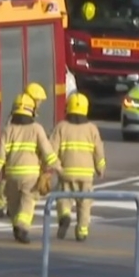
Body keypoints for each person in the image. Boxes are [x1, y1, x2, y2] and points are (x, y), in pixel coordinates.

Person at [0, 93, 62, 244]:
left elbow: (0, 152)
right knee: (28, 202)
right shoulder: (36, 128)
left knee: (13, 203)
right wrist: (57, 166)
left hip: (11, 174)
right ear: (31, 111)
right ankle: (22, 227)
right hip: (30, 175)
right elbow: (47, 150)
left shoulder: (8, 129)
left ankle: (16, 226)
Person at [51, 92, 106, 242]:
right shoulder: (92, 129)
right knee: (85, 203)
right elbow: (98, 151)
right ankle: (82, 231)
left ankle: (65, 216)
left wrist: (55, 167)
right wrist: (100, 167)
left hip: (66, 172)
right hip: (86, 174)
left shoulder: (61, 127)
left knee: (63, 198)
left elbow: (52, 150)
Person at [0, 82, 49, 218]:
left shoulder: (20, 108)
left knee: (10, 185)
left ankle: (2, 206)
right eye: (39, 100)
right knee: (21, 194)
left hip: (14, 164)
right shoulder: (26, 112)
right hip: (23, 165)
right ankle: (0, 205)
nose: (40, 103)